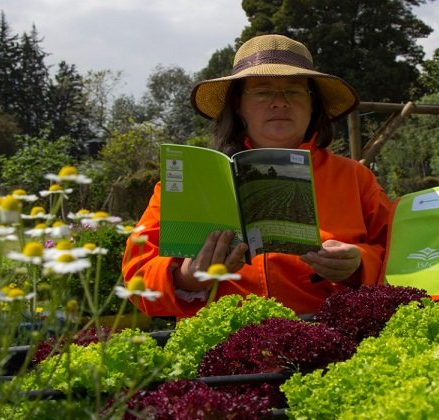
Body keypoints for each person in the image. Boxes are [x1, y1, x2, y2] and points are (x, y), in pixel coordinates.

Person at [122, 34, 393, 318]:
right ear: (238, 105)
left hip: (331, 344)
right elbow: (137, 273)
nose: (279, 102)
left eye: (294, 91)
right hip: (223, 348)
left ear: (313, 104)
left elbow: (399, 256)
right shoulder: (187, 182)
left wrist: (359, 265)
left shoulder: (355, 178)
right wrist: (187, 277)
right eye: (263, 91)